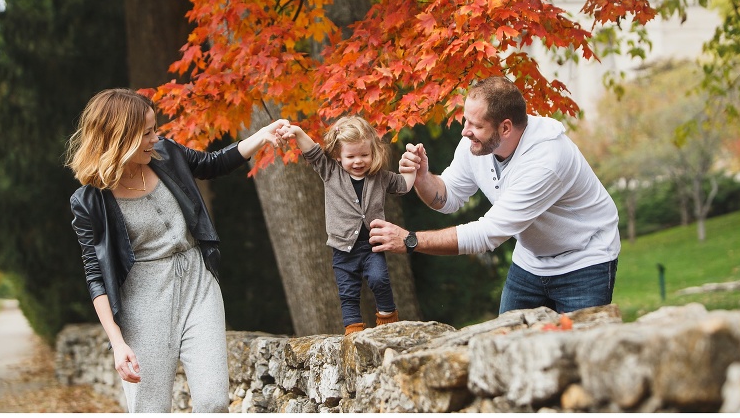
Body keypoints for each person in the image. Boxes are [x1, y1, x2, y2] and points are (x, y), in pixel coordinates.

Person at [66, 88, 288, 412]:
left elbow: (212, 163)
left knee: (213, 402)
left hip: (198, 286)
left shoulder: (165, 153)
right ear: (119, 138)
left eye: (154, 129)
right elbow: (95, 275)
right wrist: (117, 343)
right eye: (146, 133)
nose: (155, 138)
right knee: (150, 408)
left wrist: (263, 136)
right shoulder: (89, 201)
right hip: (143, 303)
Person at [369, 77, 620, 315]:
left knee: (577, 356)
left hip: (584, 261)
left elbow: (488, 234)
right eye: (466, 121)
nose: (465, 132)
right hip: (531, 261)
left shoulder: (547, 160)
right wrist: (423, 178)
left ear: (506, 128)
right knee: (505, 348)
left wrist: (410, 240)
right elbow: (448, 196)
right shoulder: (477, 145)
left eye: (476, 125)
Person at [278, 116, 416, 335]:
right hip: (343, 248)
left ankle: (388, 321)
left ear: (374, 153)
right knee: (348, 291)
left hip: (373, 245)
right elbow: (312, 152)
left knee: (380, 280)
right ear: (338, 156)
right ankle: (352, 331)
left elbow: (404, 185)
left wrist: (412, 167)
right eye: (351, 156)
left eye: (364, 155)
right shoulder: (330, 171)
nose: (358, 161)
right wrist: (296, 132)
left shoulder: (379, 176)